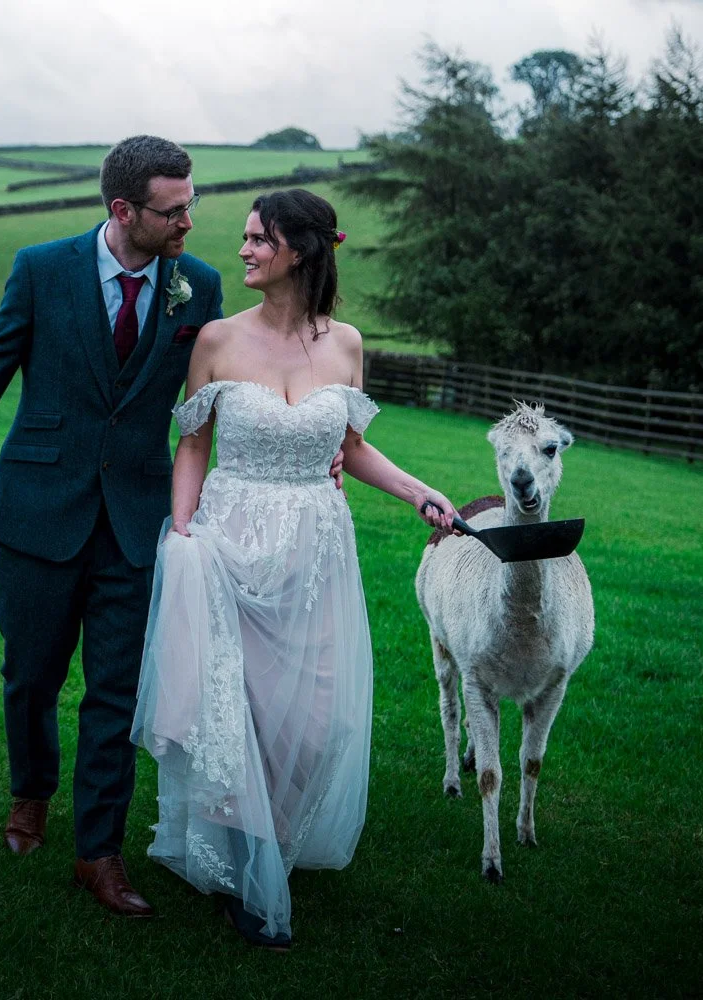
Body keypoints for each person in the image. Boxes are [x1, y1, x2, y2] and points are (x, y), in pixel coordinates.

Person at [0, 136, 223, 916]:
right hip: (37, 511)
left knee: (117, 692)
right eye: (174, 210)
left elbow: (225, 393)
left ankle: (99, 853)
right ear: (124, 211)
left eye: (192, 204)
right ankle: (29, 796)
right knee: (31, 678)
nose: (189, 221)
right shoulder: (40, 270)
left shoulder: (200, 285)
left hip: (136, 519)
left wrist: (322, 441)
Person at [130, 189, 458, 949]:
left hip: (314, 549)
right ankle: (250, 872)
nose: (241, 250)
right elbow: (193, 445)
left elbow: (347, 448)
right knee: (228, 710)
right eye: (243, 238)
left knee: (312, 724)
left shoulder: (345, 344)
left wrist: (418, 492)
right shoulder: (214, 339)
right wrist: (182, 534)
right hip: (227, 541)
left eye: (256, 239)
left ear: (300, 250)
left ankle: (270, 839)